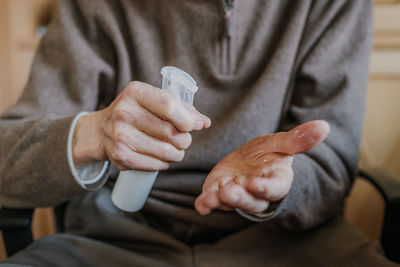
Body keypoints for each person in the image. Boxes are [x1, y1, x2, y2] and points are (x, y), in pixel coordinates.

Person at [0, 0, 397, 266]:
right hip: (112, 240)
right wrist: (88, 135)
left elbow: (331, 166)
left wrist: (284, 184)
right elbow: (6, 161)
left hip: (286, 243)